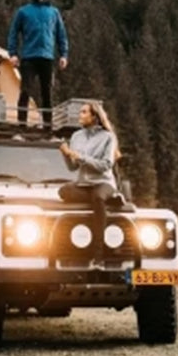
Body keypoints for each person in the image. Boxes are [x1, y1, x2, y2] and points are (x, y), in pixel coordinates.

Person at [59, 102, 124, 267]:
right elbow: (73, 167)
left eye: (83, 112)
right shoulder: (76, 136)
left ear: (94, 116)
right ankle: (114, 200)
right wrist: (66, 154)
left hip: (104, 182)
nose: (79, 115)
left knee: (98, 197)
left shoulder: (108, 137)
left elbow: (106, 165)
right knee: (63, 192)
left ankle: (98, 254)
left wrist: (79, 156)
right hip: (83, 184)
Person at [7, 0, 69, 129]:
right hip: (29, 57)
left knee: (47, 92)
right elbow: (13, 33)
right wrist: (13, 53)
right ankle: (22, 124)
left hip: (47, 57)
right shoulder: (23, 12)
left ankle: (48, 126)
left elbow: (61, 35)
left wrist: (64, 55)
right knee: (25, 91)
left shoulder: (53, 12)